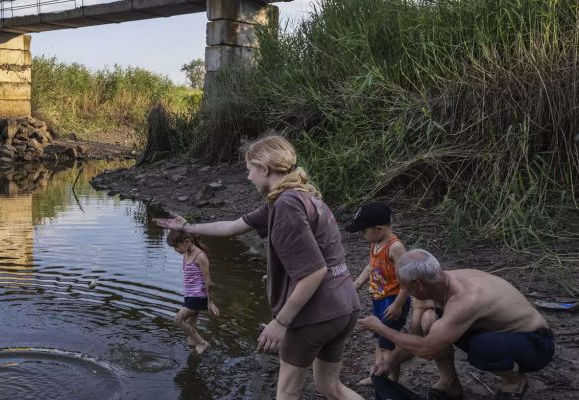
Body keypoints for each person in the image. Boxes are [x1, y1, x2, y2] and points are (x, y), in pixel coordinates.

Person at [155, 135, 363, 400]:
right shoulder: (295, 198)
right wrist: (185, 227)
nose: (248, 177)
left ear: (264, 169)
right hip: (344, 306)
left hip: (315, 313)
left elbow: (314, 272)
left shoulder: (287, 205)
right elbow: (231, 227)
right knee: (330, 388)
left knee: (286, 394)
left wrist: (281, 321)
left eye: (249, 170)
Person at [358, 249, 555, 399]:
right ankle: (450, 383)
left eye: (405, 287)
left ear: (418, 284)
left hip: (536, 344)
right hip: (499, 333)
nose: (405, 291)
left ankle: (514, 381)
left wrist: (380, 328)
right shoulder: (435, 283)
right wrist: (388, 364)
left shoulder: (465, 298)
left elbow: (427, 350)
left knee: (483, 348)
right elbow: (417, 336)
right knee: (430, 320)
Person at [346, 203, 410, 385]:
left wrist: (398, 305)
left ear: (379, 229)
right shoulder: (375, 243)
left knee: (387, 342)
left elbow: (407, 279)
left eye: (363, 231)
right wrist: (356, 284)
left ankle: (391, 383)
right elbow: (371, 266)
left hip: (393, 300)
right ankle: (377, 376)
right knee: (378, 338)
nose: (362, 235)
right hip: (379, 298)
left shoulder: (395, 248)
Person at [166, 230, 220, 355]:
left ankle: (202, 343)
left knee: (178, 320)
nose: (175, 250)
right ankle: (193, 347)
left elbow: (208, 281)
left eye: (176, 246)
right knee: (191, 323)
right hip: (189, 295)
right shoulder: (186, 254)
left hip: (198, 297)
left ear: (187, 242)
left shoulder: (200, 256)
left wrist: (210, 302)